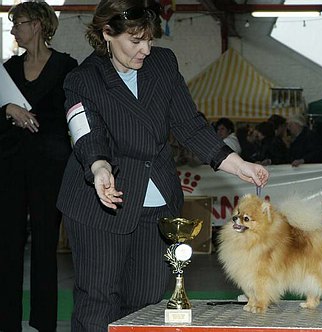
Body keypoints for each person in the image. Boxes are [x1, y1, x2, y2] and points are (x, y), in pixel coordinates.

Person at [55, 0, 269, 330]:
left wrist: (235, 163)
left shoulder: (163, 64)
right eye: (135, 40)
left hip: (156, 204)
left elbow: (190, 124)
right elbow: (87, 134)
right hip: (99, 203)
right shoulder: (82, 79)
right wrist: (99, 167)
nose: (146, 49)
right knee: (98, 300)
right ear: (107, 33)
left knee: (147, 303)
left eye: (150, 39)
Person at [0, 2, 78, 331]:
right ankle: (6, 321)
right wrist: (8, 109)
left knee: (46, 247)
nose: (13, 29)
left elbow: (74, 116)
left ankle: (44, 322)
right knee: (7, 245)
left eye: (17, 23)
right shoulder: (8, 69)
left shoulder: (66, 66)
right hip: (10, 165)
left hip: (51, 167)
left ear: (37, 25)